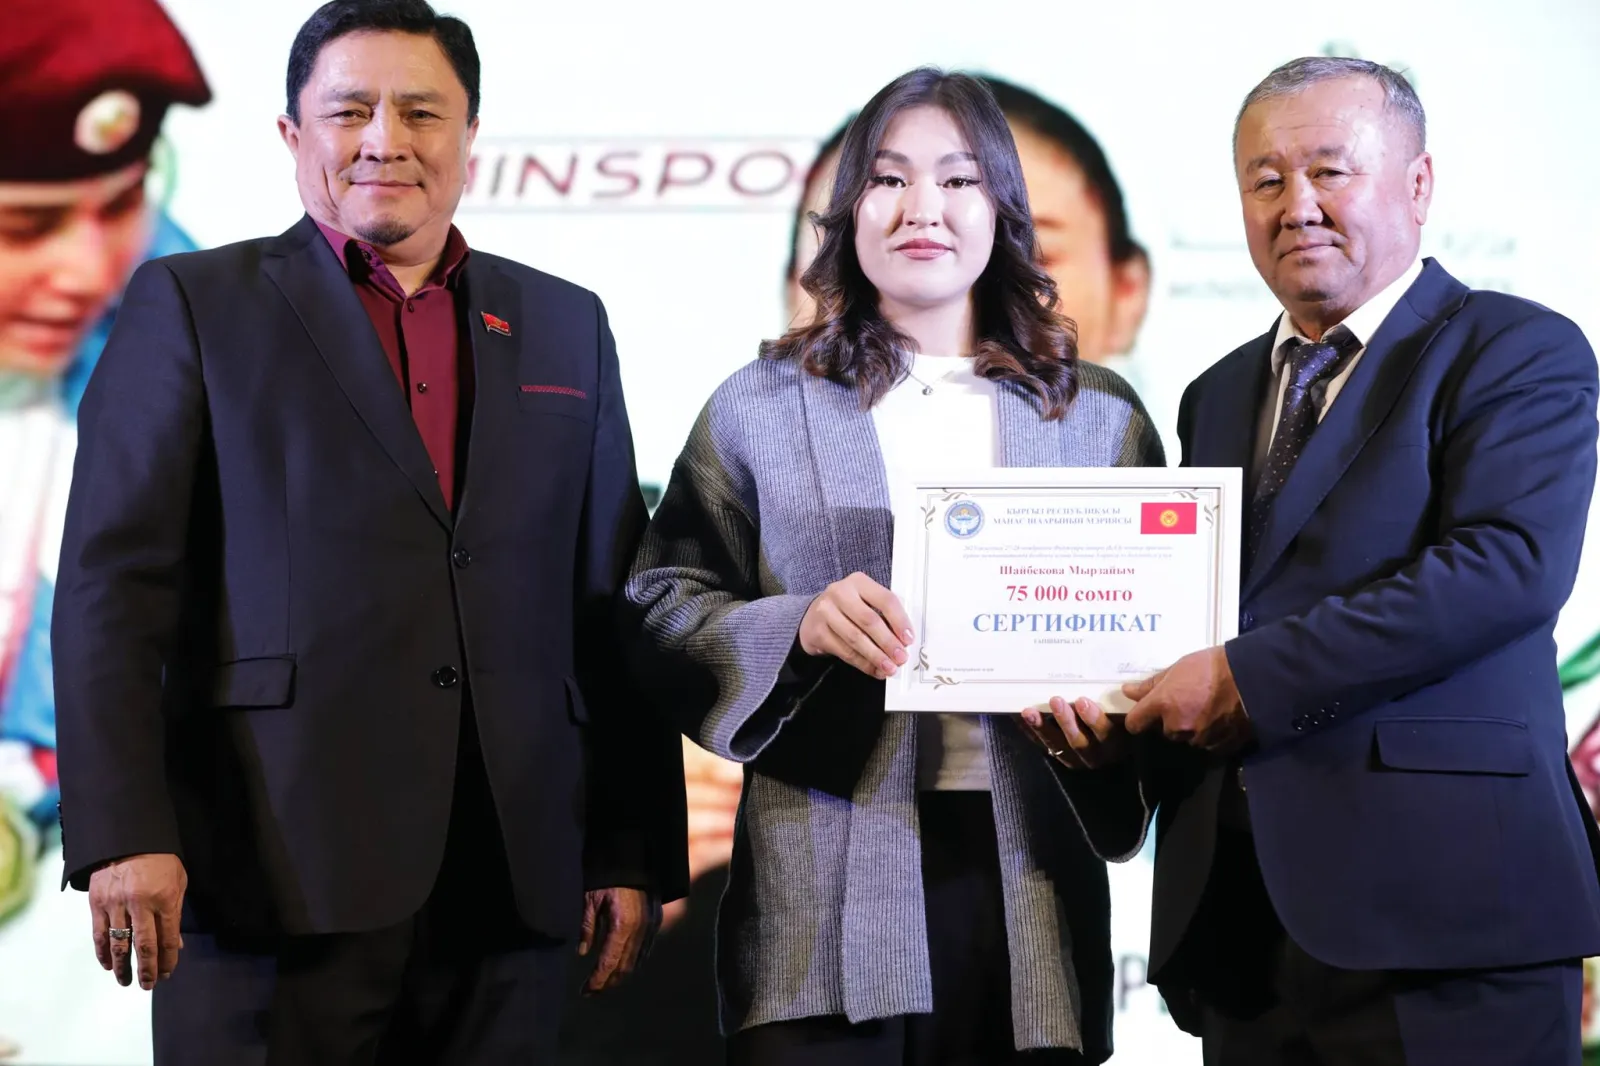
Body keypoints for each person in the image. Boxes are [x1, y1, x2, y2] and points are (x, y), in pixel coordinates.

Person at [51, 1, 687, 1062]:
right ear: (292, 135)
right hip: (269, 866)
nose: (386, 140)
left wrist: (627, 844)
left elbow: (608, 597)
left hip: (515, 880)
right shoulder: (194, 303)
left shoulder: (565, 320)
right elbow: (113, 586)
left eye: (422, 112)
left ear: (470, 138)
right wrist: (124, 831)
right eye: (349, 111)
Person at [624, 67, 1163, 1065]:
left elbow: (1153, 641)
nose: (923, 207)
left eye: (958, 179)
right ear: (845, 213)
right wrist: (794, 626)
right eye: (887, 178)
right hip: (822, 877)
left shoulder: (1098, 416)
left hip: (1028, 873)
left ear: (1001, 211)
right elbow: (661, 601)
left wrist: (1110, 734)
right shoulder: (757, 404)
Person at [1115, 56, 1600, 1063]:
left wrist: (1243, 678)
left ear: (1418, 185)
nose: (1297, 205)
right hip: (1244, 928)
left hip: (1448, 923)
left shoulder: (1514, 349)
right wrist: (1110, 714)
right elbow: (1198, 612)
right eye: (1265, 180)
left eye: (1330, 171)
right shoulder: (1216, 393)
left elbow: (1504, 566)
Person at [0, 0, 210, 1057]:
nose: (86, 269)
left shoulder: (221, 362)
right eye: (25, 225)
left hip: (112, 962)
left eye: (119, 205)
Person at [786, 76, 1151, 372]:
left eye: (1028, 254)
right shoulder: (757, 414)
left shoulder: (1113, 422)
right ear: (793, 288)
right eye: (852, 252)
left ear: (1127, 293)